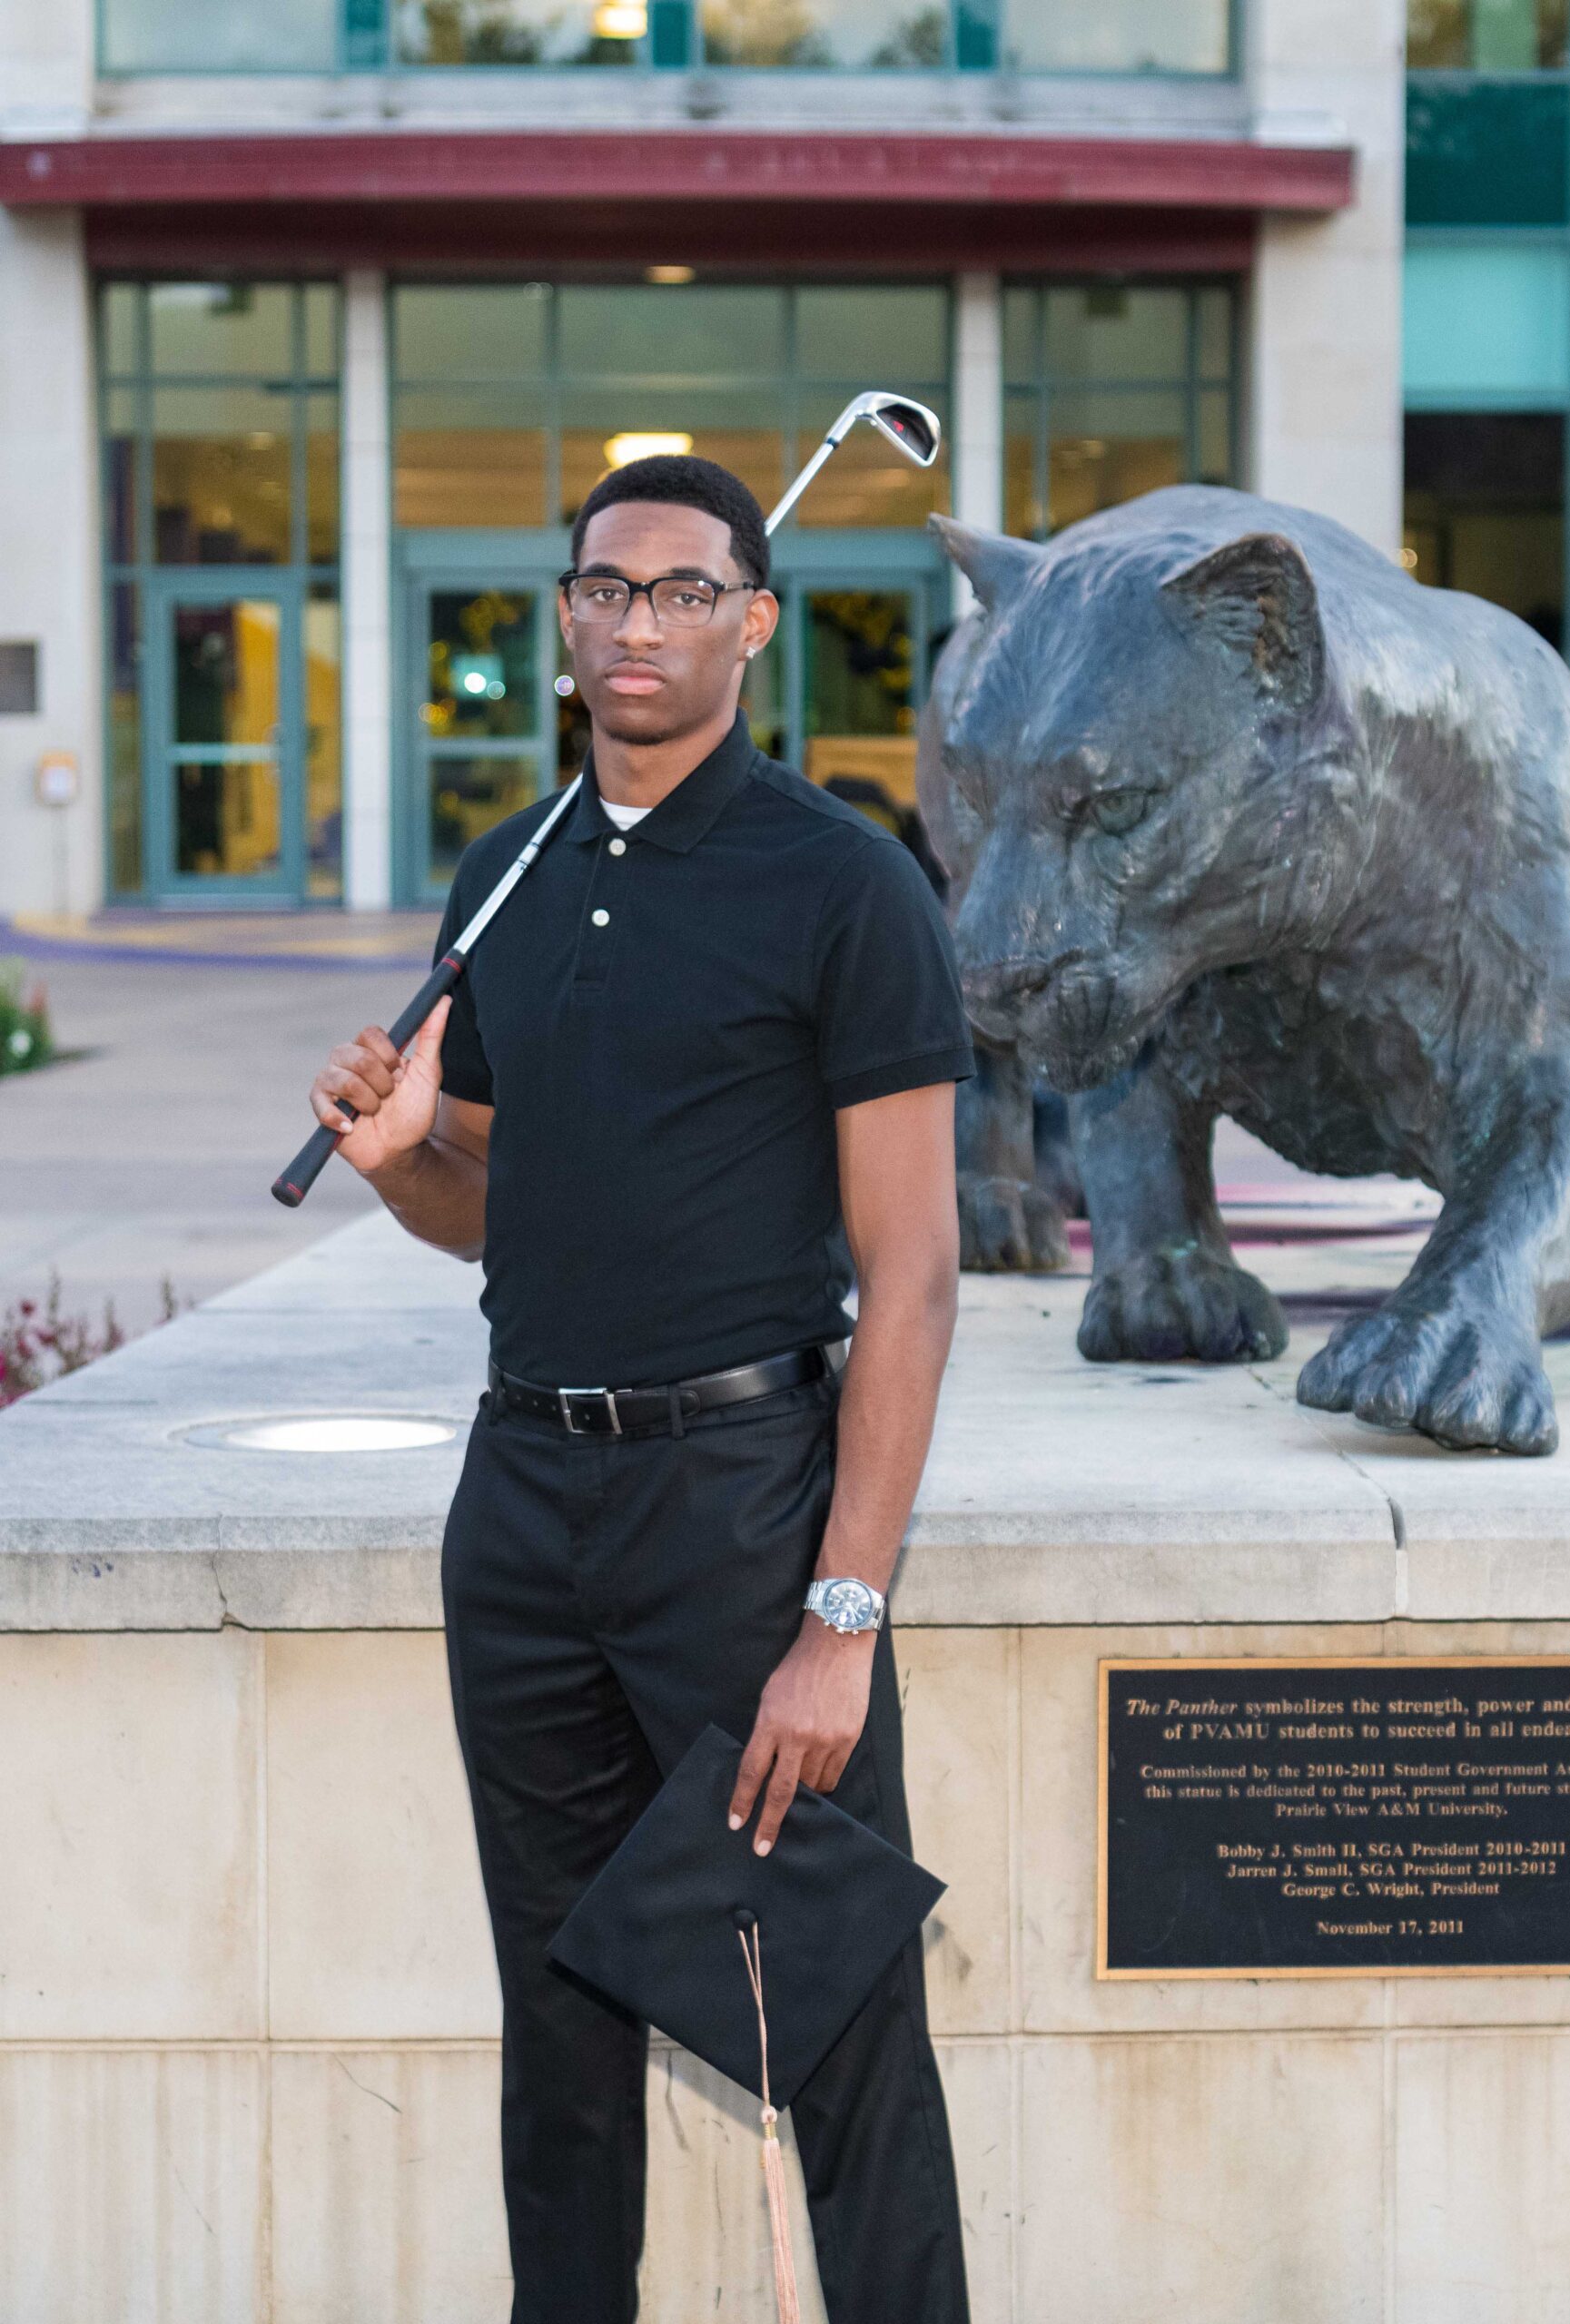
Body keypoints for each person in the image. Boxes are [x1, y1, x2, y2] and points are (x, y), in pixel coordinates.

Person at [307, 454, 974, 2324]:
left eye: (687, 590)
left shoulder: (844, 884)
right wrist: (404, 1157)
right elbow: (494, 1215)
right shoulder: (504, 871)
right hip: (522, 1503)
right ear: (565, 622)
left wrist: (841, 1610)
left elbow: (913, 1278)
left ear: (754, 625)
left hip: (743, 1503)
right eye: (608, 588)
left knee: (828, 2020)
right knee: (562, 2016)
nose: (640, 623)